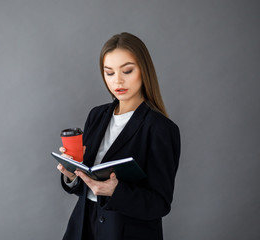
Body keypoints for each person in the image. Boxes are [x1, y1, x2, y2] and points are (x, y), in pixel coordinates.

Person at [57, 32, 181, 240]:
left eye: (127, 71)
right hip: (82, 228)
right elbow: (88, 185)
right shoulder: (96, 115)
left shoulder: (161, 128)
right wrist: (72, 175)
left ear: (144, 70)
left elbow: (160, 204)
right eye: (109, 73)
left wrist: (116, 191)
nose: (118, 81)